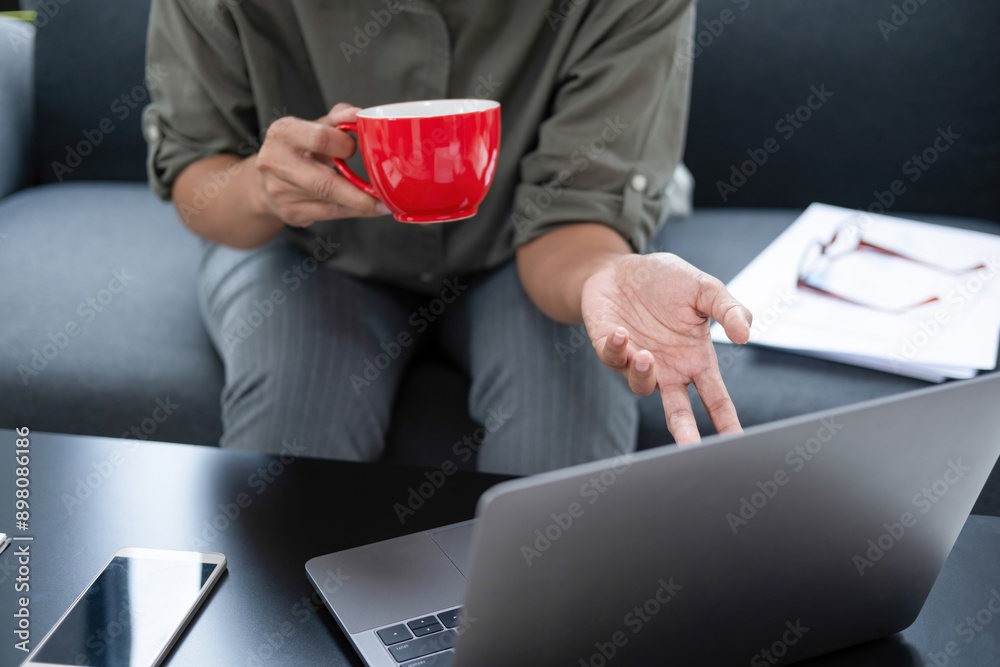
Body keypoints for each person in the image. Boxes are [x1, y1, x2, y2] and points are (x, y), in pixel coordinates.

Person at [142, 0, 752, 475]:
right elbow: (198, 164)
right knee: (287, 433)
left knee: (567, 427)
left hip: (529, 248)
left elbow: (577, 213)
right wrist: (260, 188)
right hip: (309, 247)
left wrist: (604, 278)